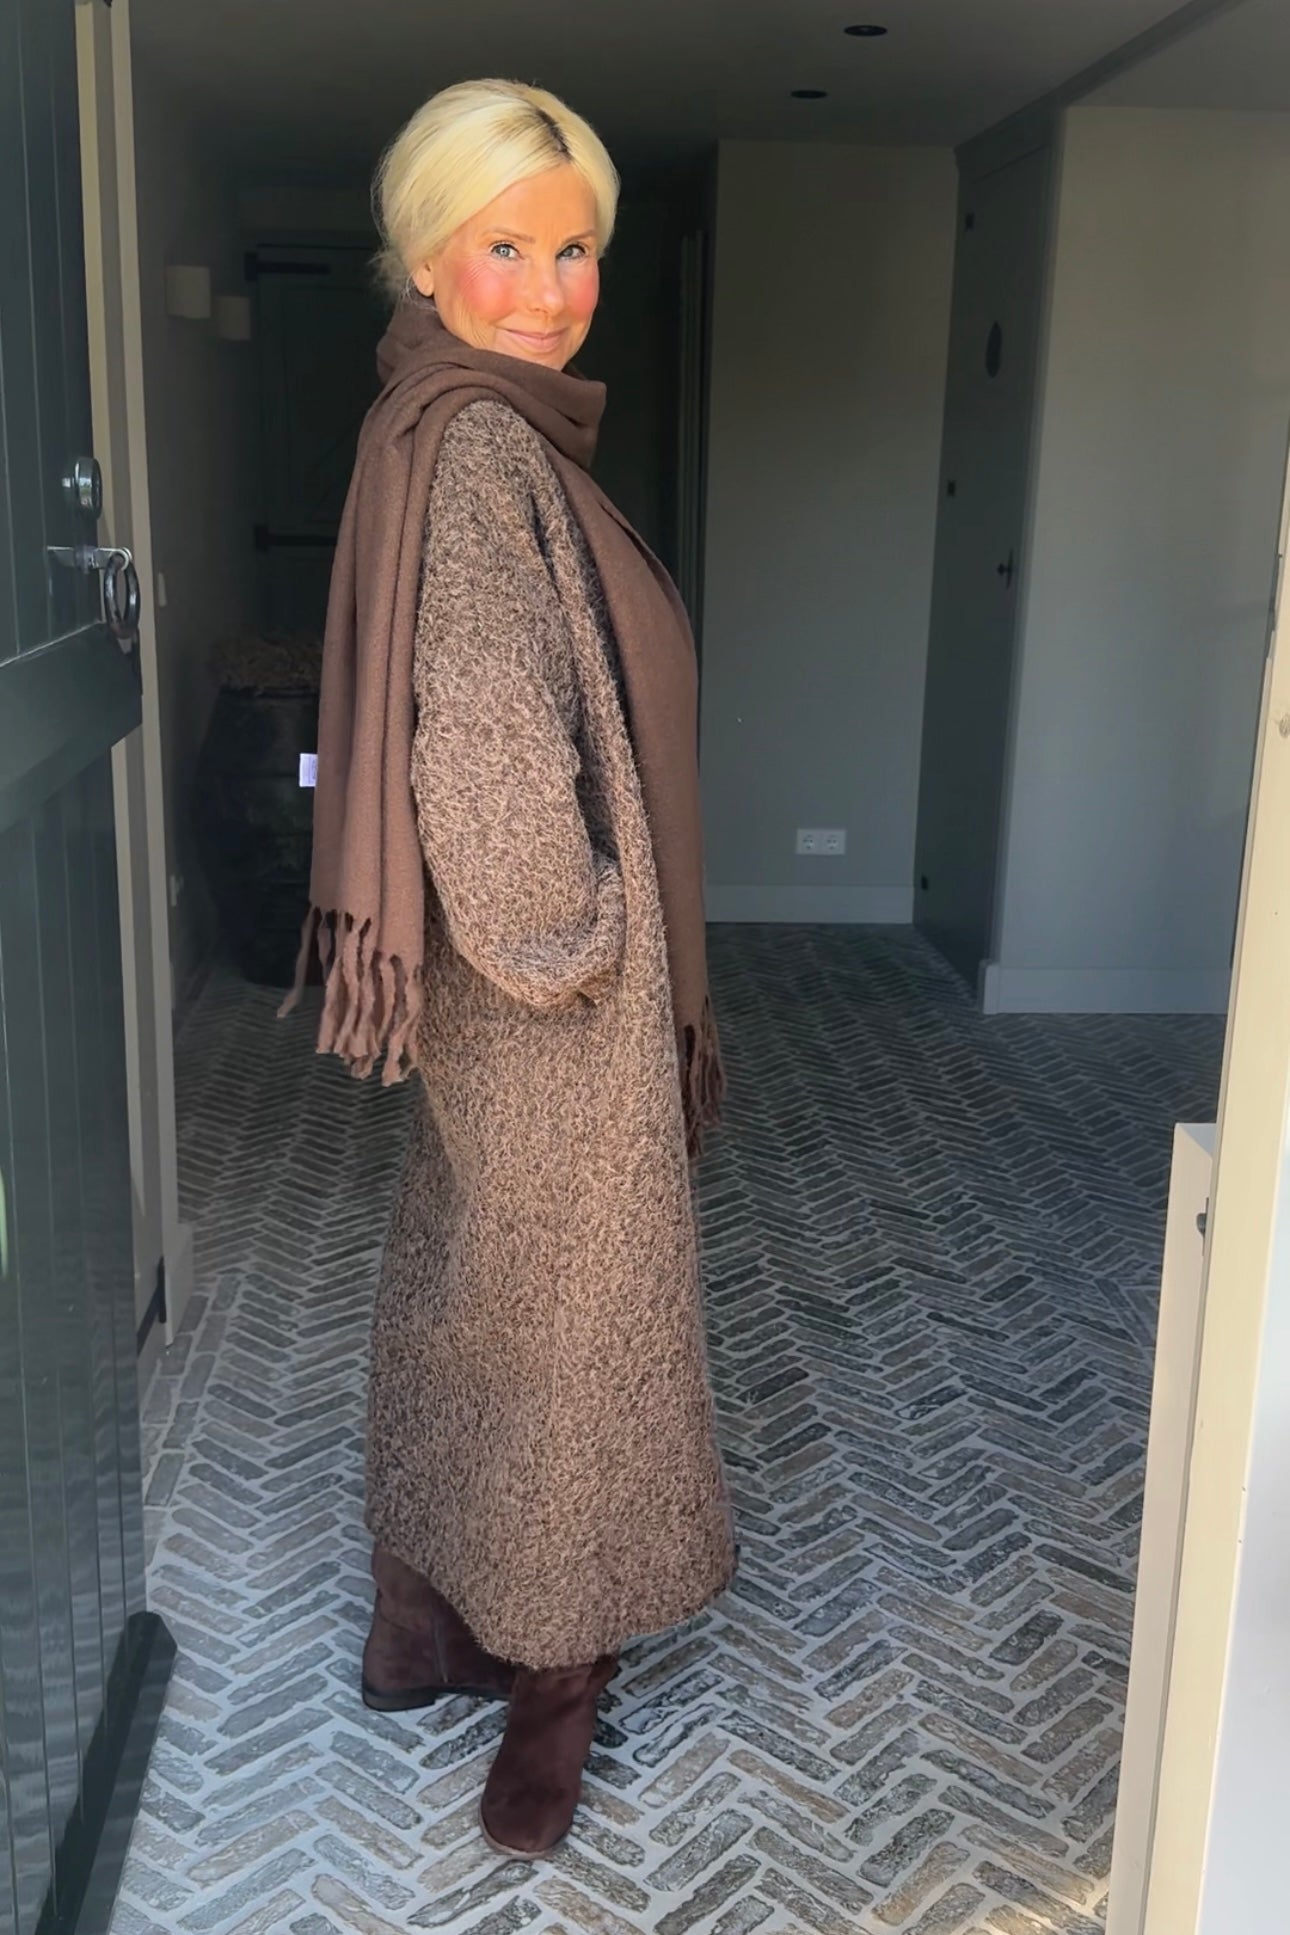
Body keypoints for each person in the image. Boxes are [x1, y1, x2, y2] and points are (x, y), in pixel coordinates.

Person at [287, 78, 735, 1859]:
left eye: (577, 250)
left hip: (485, 988)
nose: (550, 291)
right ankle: (555, 1681)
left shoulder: (429, 418)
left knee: (469, 1291)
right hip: (547, 987)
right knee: (578, 1334)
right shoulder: (482, 447)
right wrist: (584, 941)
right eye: (507, 246)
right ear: (425, 254)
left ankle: (418, 1628)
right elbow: (480, 738)